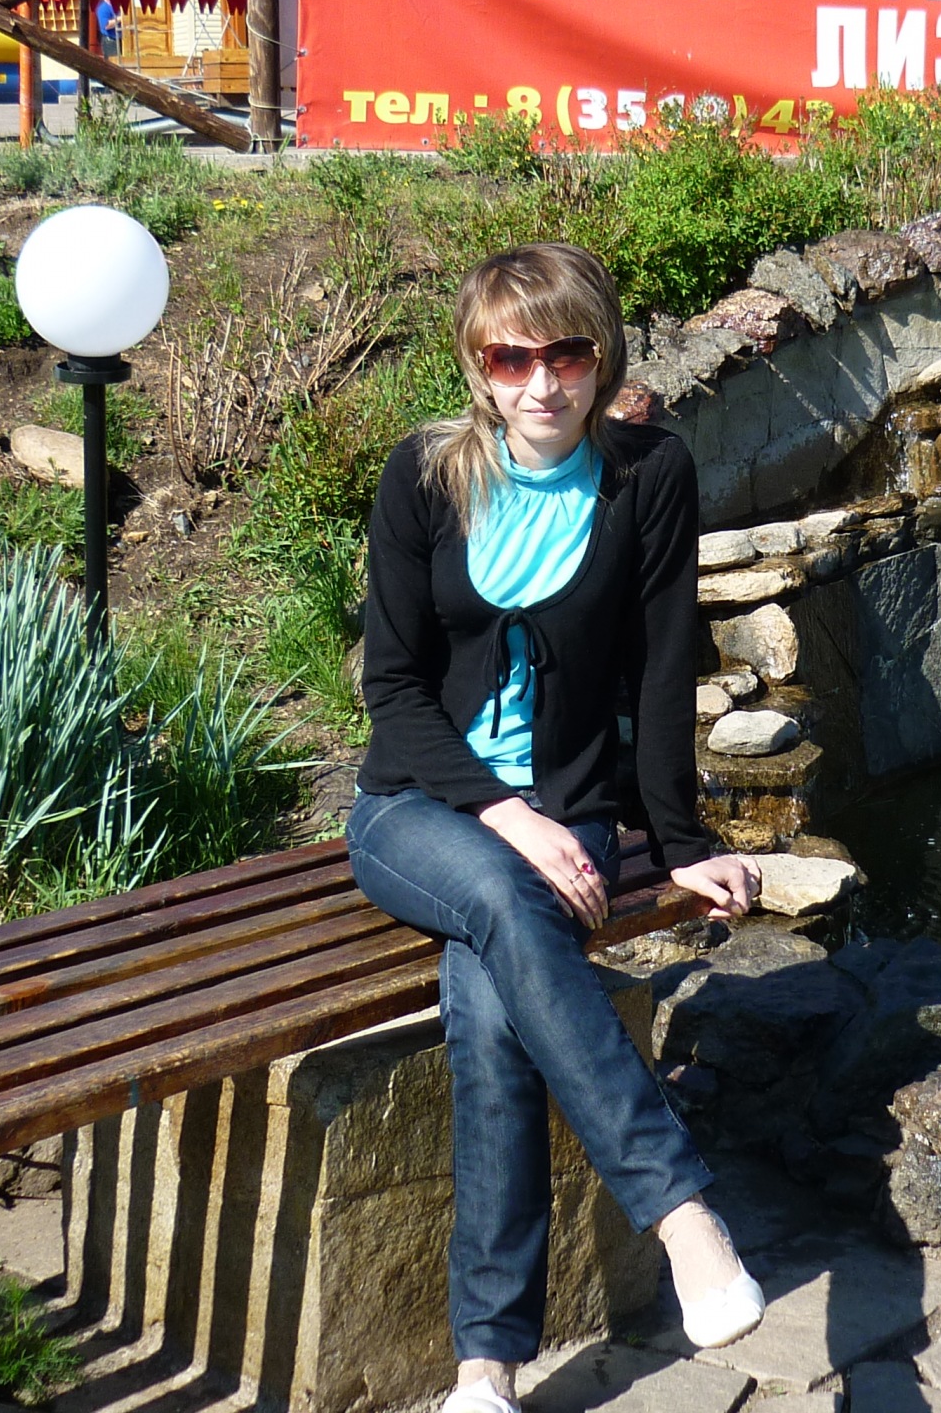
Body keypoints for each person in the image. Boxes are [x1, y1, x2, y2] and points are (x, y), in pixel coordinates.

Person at [348, 242, 768, 1413]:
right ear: (476, 367)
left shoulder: (647, 475)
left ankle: (483, 1371)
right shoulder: (424, 477)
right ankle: (683, 1215)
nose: (541, 382)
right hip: (415, 811)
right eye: (510, 358)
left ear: (603, 356)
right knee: (497, 891)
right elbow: (392, 691)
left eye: (566, 353)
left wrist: (681, 844)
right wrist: (510, 819)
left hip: (563, 820)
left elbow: (663, 669)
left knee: (491, 1029)